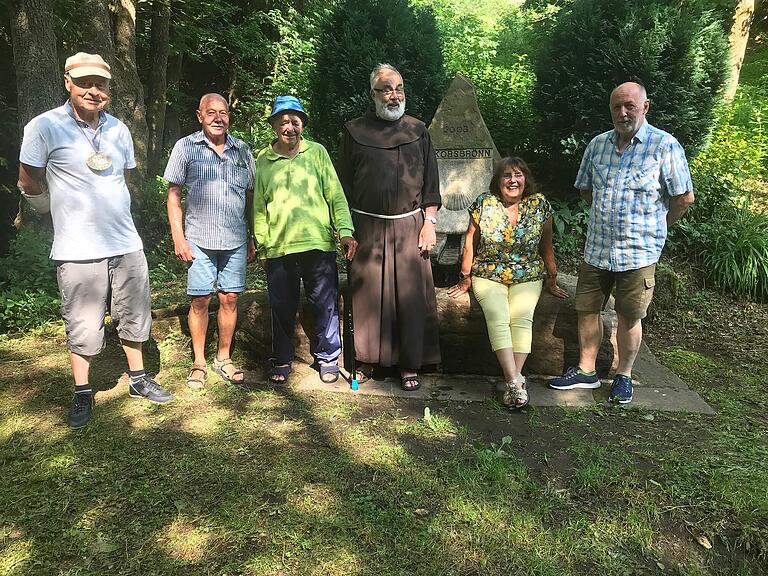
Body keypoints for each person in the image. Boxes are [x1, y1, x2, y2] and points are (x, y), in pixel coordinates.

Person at [17, 52, 174, 429]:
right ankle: (83, 392)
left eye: (100, 84)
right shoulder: (44, 126)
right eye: (85, 82)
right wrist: (46, 208)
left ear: (108, 89)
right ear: (67, 82)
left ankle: (138, 380)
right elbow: (27, 179)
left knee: (134, 313)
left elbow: (129, 177)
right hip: (77, 246)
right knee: (83, 321)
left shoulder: (118, 129)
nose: (93, 90)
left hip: (125, 241)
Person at [549, 81, 694, 404]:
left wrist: (658, 227)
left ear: (645, 107)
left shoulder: (664, 146)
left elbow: (683, 198)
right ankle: (587, 371)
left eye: (629, 105)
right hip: (597, 248)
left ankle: (623, 375)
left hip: (639, 252)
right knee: (586, 309)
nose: (623, 112)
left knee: (630, 315)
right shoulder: (598, 145)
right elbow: (585, 188)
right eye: (617, 106)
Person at [337, 63, 442, 391]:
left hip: (409, 227)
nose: (393, 95)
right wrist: (345, 230)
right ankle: (367, 359)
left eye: (398, 88)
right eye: (385, 89)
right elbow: (341, 186)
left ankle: (409, 364)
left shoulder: (418, 130)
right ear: (373, 94)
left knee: (409, 297)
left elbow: (431, 185)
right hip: (366, 227)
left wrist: (430, 223)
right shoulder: (354, 131)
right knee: (368, 296)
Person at [448, 157, 567, 409]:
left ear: (526, 179)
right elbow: (470, 241)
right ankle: (515, 381)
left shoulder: (539, 205)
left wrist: (553, 279)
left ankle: (513, 381)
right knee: (497, 315)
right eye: (506, 176)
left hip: (527, 273)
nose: (513, 180)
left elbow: (547, 245)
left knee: (522, 317)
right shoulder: (484, 203)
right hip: (488, 272)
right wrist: (465, 276)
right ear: (498, 181)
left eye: (518, 175)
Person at [253, 96, 357, 384]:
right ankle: (282, 358)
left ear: (302, 125)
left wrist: (345, 231)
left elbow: (335, 195)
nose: (289, 126)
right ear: (274, 125)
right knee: (281, 307)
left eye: (295, 121)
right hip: (278, 247)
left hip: (318, 244)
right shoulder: (263, 158)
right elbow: (259, 205)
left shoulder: (318, 153)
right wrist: (262, 244)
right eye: (283, 121)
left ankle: (327, 358)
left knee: (324, 304)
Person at [164, 93, 256, 389]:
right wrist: (179, 237)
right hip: (199, 239)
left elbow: (251, 197)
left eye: (224, 112)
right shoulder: (185, 147)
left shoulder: (243, 150)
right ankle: (199, 362)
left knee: (230, 298)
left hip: (235, 239)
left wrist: (253, 236)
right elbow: (174, 195)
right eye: (211, 112)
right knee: (200, 299)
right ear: (199, 115)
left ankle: (224, 358)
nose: (218, 118)